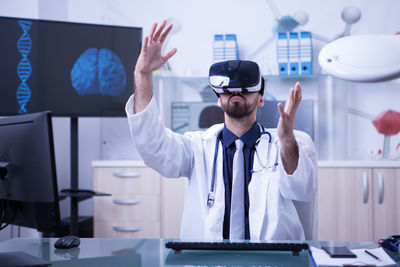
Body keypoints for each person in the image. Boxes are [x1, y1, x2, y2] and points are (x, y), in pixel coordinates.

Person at [125, 20, 317, 241]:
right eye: (227, 91)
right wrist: (142, 75)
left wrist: (287, 139)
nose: (236, 92)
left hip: (271, 258)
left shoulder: (283, 144)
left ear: (261, 99)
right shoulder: (196, 146)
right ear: (218, 100)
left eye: (245, 89)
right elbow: (153, 146)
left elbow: (303, 190)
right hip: (208, 259)